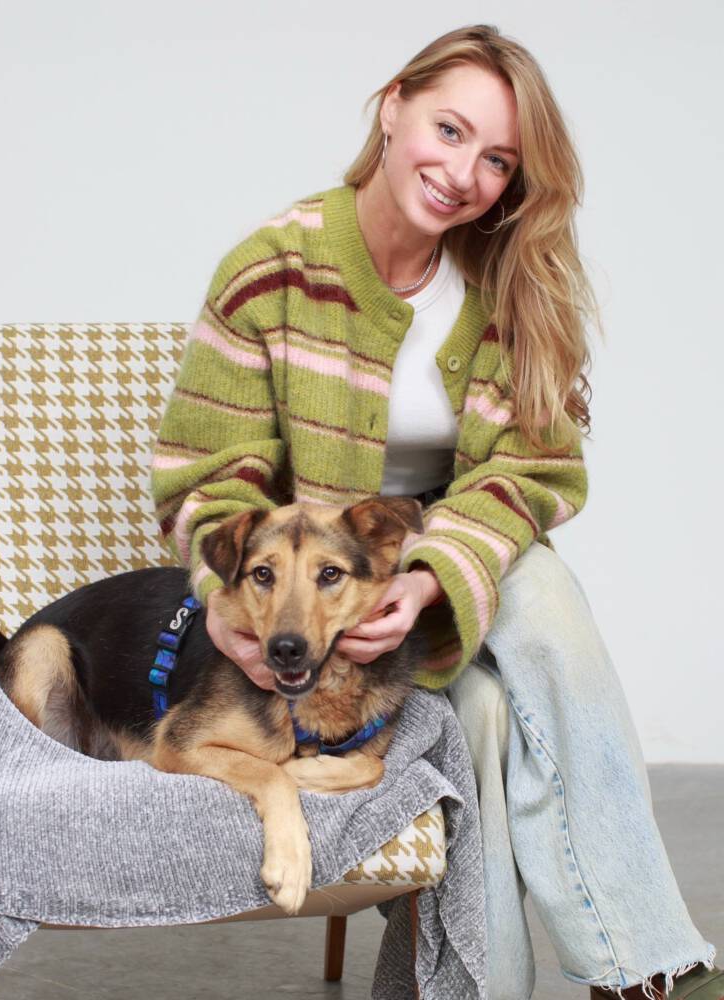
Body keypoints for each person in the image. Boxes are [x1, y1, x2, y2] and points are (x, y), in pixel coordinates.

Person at [150, 24, 720, 1000]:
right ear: (392, 107)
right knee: (484, 717)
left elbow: (533, 468)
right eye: (449, 131)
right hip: (329, 605)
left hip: (458, 574)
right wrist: (236, 599)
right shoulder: (273, 271)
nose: (463, 174)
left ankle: (648, 971)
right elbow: (207, 480)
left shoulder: (504, 288)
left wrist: (427, 576)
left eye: (497, 159)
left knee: (547, 601)